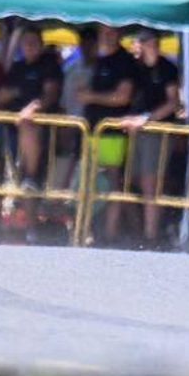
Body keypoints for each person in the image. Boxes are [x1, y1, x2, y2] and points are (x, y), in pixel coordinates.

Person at [74, 23, 137, 242]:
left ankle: (109, 234)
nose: (107, 36)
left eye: (111, 31)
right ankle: (86, 230)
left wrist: (90, 96)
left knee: (111, 184)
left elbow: (123, 96)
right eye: (104, 32)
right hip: (91, 130)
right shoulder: (99, 60)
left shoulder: (124, 61)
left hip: (112, 133)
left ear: (119, 33)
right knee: (87, 184)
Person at [122, 28, 181, 247]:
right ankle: (144, 229)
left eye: (139, 41)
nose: (135, 46)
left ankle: (151, 235)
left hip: (156, 132)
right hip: (136, 130)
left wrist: (146, 119)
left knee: (150, 183)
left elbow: (172, 102)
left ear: (151, 42)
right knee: (133, 180)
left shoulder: (167, 68)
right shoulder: (135, 68)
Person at [0, 24, 62, 189]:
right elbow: (0, 96)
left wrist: (32, 108)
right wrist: (18, 91)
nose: (29, 45)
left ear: (41, 44)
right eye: (26, 42)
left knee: (30, 185)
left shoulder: (49, 64)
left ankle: (30, 177)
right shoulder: (17, 67)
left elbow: (50, 94)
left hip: (40, 130)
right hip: (11, 130)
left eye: (33, 42)